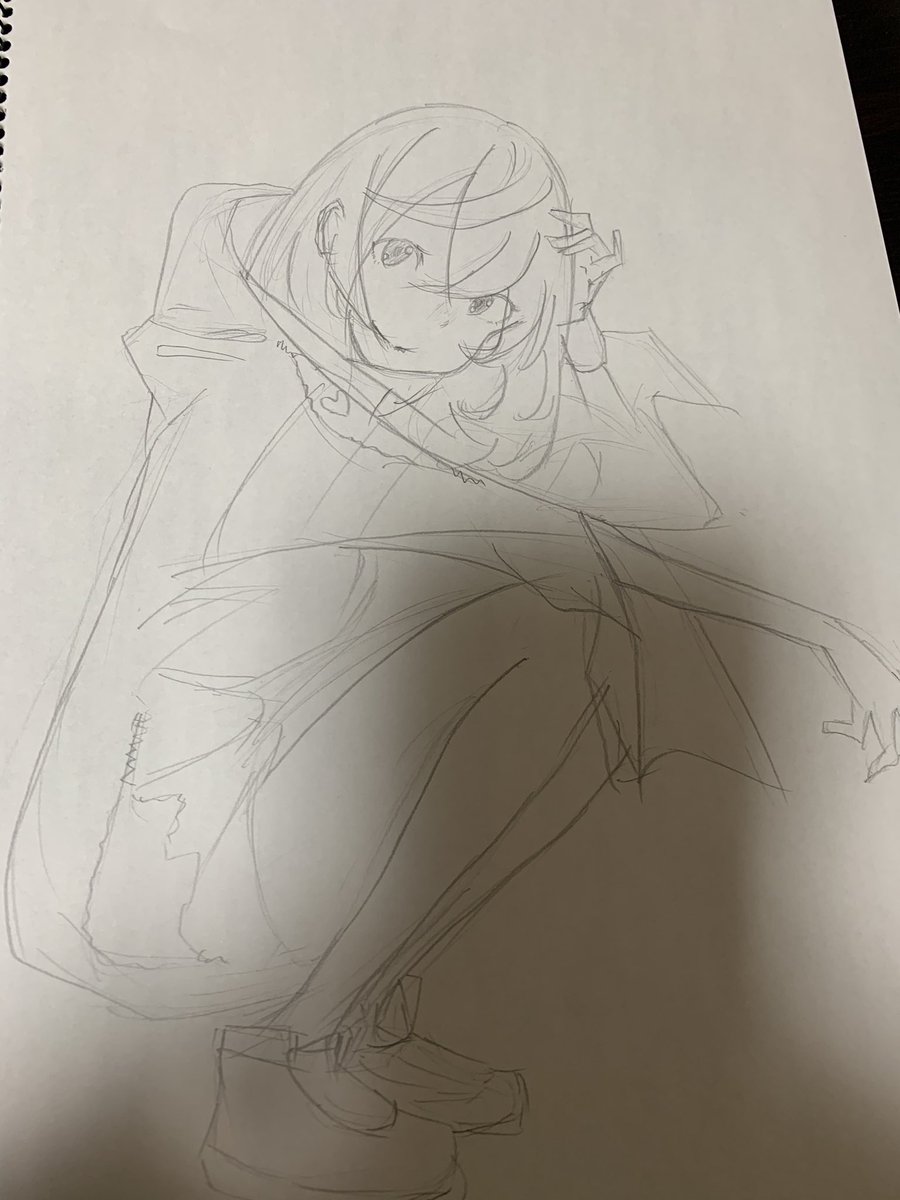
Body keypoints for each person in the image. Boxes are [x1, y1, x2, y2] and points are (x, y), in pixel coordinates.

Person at [7, 105, 899, 1200]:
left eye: (491, 298)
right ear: (345, 246)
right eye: (419, 272)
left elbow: (578, 475)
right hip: (159, 873)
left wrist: (557, 318)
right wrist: (820, 633)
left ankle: (351, 1023)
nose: (471, 325)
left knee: (567, 646)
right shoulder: (268, 395)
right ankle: (293, 1047)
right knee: (564, 638)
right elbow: (589, 502)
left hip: (257, 821)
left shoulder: (371, 373)